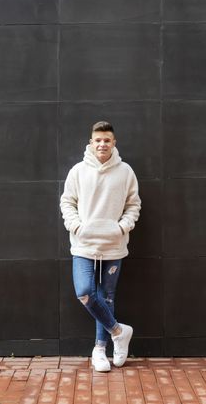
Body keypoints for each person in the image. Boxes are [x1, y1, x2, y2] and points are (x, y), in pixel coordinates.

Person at [60, 121, 141, 372]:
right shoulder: (78, 171)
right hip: (84, 244)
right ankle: (118, 331)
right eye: (98, 140)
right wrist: (77, 227)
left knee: (107, 296)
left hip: (113, 244)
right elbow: (67, 202)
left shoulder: (125, 171)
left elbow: (133, 204)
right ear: (91, 143)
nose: (102, 144)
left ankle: (99, 350)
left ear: (113, 143)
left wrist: (121, 227)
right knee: (85, 291)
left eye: (107, 140)